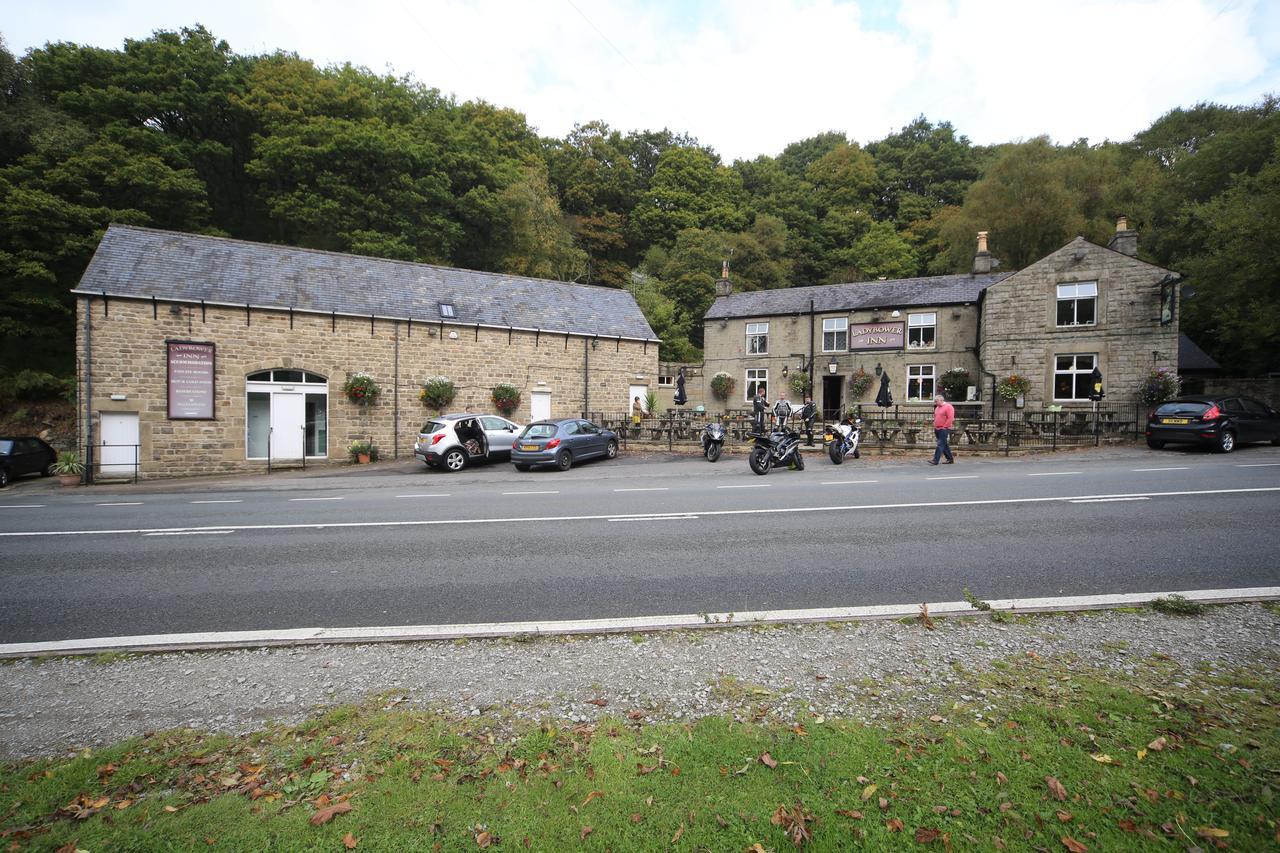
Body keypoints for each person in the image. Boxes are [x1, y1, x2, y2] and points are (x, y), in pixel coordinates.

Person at [929, 393, 955, 465]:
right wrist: (935, 424)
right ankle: (950, 459)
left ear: (941, 400)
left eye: (936, 401)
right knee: (944, 444)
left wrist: (945, 427)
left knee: (940, 444)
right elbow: (936, 417)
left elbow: (950, 418)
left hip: (944, 428)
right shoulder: (937, 408)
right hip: (937, 428)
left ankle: (935, 460)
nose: (935, 402)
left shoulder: (948, 407)